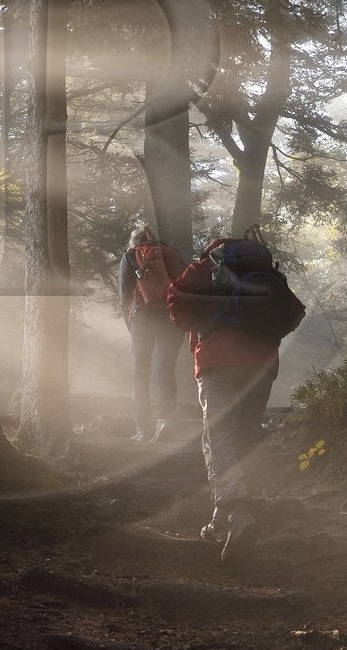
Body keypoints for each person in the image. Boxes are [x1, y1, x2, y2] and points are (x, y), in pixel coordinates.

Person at [167, 225, 305, 564]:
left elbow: (174, 301)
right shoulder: (267, 270)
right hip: (261, 365)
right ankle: (221, 521)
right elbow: (295, 312)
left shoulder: (207, 265)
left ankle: (239, 511)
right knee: (243, 435)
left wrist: (208, 317)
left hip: (218, 359)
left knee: (219, 437)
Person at [115, 224, 188, 443]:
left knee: (141, 374)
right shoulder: (172, 254)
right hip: (172, 318)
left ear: (134, 242)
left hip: (143, 319)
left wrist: (131, 327)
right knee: (165, 372)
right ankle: (166, 423)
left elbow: (124, 297)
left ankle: (142, 429)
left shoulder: (130, 257)